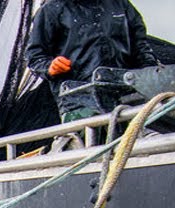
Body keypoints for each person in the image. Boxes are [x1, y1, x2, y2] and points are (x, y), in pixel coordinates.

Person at [26, 0, 159, 122]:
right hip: (78, 104)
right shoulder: (51, 10)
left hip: (126, 98)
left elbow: (141, 49)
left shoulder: (121, 5)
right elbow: (34, 56)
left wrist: (151, 72)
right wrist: (50, 67)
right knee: (91, 143)